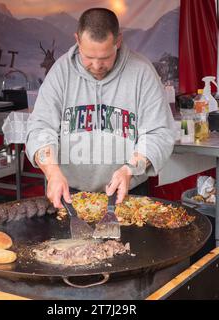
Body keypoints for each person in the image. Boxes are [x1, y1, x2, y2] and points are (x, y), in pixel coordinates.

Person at [26, 8, 175, 208]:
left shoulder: (142, 73)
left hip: (127, 194)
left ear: (118, 41)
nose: (96, 65)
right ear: (77, 40)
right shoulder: (60, 73)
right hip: (69, 196)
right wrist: (52, 171)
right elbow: (40, 128)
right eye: (88, 57)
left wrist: (130, 169)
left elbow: (159, 133)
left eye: (105, 58)